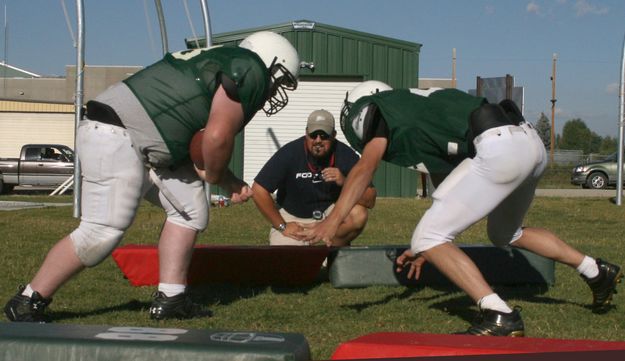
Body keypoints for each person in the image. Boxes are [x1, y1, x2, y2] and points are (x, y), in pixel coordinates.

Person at [3, 31, 301, 322]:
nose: (275, 90)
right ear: (268, 63)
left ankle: (171, 298)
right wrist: (223, 179)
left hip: (142, 138)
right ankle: (28, 300)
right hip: (119, 134)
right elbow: (216, 138)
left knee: (191, 212)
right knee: (101, 230)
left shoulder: (219, 61)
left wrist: (224, 176)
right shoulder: (248, 67)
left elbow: (194, 132)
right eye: (279, 79)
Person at [298, 80, 622, 336]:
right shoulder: (421, 112)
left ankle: (499, 315)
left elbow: (364, 168)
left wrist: (334, 219)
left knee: (426, 236)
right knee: (505, 232)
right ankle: (595, 270)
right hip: (528, 142)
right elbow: (450, 183)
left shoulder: (382, 109)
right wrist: (436, 247)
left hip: (498, 145)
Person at [252, 109, 376, 246]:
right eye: (313, 135)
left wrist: (344, 181)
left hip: (330, 216)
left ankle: (331, 253)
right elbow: (258, 190)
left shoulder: (345, 155)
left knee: (358, 215)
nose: (318, 140)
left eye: (324, 136)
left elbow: (370, 199)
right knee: (287, 261)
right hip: (294, 218)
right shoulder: (290, 153)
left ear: (333, 135)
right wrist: (283, 226)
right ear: (306, 133)